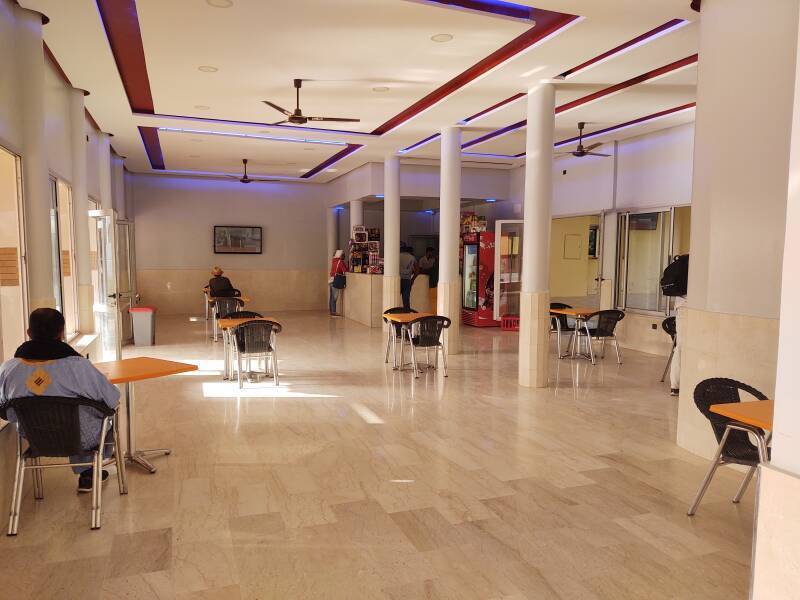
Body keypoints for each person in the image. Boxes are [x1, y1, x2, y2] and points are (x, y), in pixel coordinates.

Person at [0, 309, 120, 492]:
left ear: (28, 332)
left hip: (34, 437)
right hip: (81, 438)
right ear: (61, 332)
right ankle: (88, 471)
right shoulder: (77, 366)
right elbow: (111, 398)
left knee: (76, 415)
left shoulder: (9, 369)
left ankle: (85, 470)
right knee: (93, 416)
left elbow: (4, 409)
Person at [670, 295, 687, 396]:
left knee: (679, 348)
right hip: (687, 307)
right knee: (680, 349)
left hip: (681, 307)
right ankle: (675, 386)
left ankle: (675, 386)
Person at [399, 243, 419, 310]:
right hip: (407, 280)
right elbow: (417, 270)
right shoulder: (412, 257)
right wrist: (412, 279)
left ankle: (392, 314)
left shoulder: (397, 256)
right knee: (406, 299)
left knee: (394, 298)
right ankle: (407, 315)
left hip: (397, 280)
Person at [329, 249, 347, 316]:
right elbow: (345, 270)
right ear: (341, 255)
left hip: (331, 279)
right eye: (343, 255)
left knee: (331, 297)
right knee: (334, 297)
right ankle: (334, 312)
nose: (344, 256)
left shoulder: (334, 261)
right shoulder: (340, 262)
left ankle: (331, 311)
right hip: (336, 280)